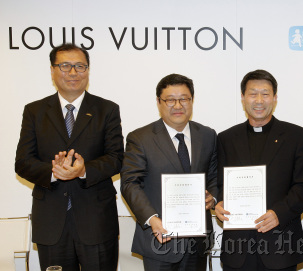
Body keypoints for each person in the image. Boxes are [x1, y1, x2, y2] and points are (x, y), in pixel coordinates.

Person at [15, 43, 123, 271]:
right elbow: (23, 162)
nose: (73, 73)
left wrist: (83, 171)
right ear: (52, 70)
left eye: (80, 66)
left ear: (88, 70)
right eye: (65, 66)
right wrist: (54, 172)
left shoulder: (107, 109)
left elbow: (116, 157)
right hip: (52, 221)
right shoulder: (34, 111)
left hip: (96, 221)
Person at [214, 69, 303, 270]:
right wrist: (218, 203)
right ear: (242, 98)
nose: (259, 100)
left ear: (275, 98)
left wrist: (279, 213)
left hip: (280, 244)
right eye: (252, 93)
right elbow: (219, 184)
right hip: (238, 248)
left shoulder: (296, 136)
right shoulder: (226, 139)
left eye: (265, 94)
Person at [120, 74, 217, 270]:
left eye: (184, 99)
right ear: (158, 102)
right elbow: (130, 183)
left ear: (192, 100)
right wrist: (151, 219)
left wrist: (213, 197)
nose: (178, 105)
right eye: (170, 100)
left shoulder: (207, 135)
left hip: (197, 241)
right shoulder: (140, 138)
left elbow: (214, 176)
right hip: (159, 239)